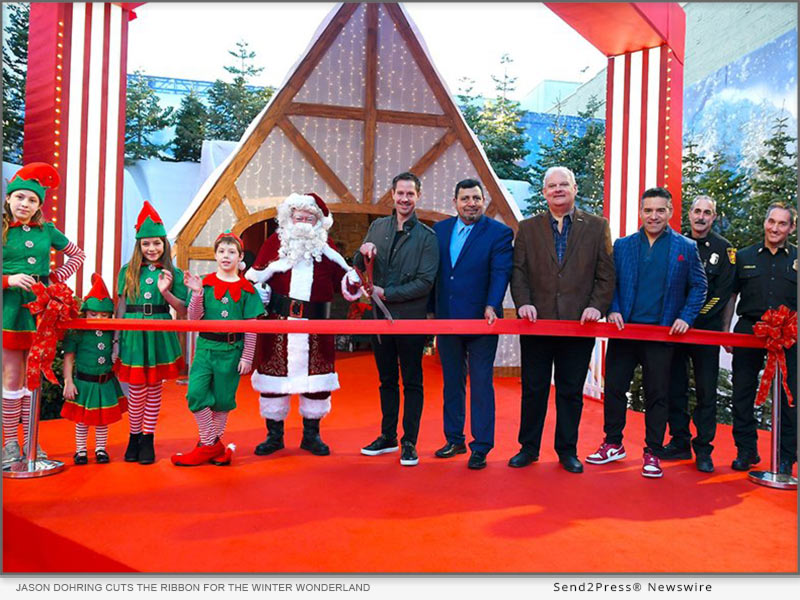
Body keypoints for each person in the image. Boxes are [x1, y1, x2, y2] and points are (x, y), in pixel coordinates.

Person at [586, 187, 707, 478]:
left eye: (660, 210)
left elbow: (700, 287)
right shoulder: (624, 245)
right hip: (624, 331)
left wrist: (685, 317)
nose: (654, 216)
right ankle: (613, 443)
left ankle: (652, 451)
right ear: (641, 212)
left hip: (661, 335)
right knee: (614, 389)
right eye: (648, 210)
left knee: (658, 394)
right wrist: (612, 309)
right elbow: (609, 282)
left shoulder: (685, 247)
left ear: (670, 212)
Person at [509, 166, 615, 473]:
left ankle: (567, 450)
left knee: (570, 392)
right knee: (533, 389)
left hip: (578, 327)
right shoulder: (528, 228)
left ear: (574, 188)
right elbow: (519, 273)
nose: (558, 189)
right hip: (537, 325)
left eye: (563, 184)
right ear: (544, 192)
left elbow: (606, 275)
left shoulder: (597, 227)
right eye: (552, 185)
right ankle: (528, 448)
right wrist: (524, 303)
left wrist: (597, 307)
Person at [245, 193, 361, 457]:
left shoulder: (326, 246)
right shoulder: (275, 242)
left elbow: (344, 282)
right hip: (278, 325)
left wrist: (353, 280)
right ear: (289, 217)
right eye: (299, 216)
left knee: (317, 382)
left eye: (310, 217)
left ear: (319, 222)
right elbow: (252, 279)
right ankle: (274, 436)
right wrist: (258, 292)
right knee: (274, 379)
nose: (304, 221)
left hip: (317, 327)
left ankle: (312, 436)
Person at [2, 162, 86, 464]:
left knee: (33, 377)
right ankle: (10, 444)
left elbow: (78, 255)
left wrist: (53, 279)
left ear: (39, 204)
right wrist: (7, 280)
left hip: (39, 310)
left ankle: (31, 442)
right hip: (9, 310)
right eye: (20, 197)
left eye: (32, 200)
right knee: (12, 377)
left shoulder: (47, 230)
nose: (25, 204)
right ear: (9, 198)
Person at [355, 172, 439, 467]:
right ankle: (388, 435)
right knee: (386, 379)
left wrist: (386, 292)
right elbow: (359, 262)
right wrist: (361, 252)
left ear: (418, 196)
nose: (405, 199)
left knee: (412, 381)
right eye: (400, 193)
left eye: (410, 194)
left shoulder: (428, 237)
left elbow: (425, 282)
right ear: (392, 194)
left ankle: (409, 442)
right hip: (379, 320)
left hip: (410, 321)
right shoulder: (377, 227)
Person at [429, 178, 513, 469]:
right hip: (446, 320)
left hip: (482, 321)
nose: (471, 203)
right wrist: (430, 312)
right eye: (465, 198)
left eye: (476, 198)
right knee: (452, 382)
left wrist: (492, 304)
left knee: (480, 383)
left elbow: (501, 272)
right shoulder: (439, 230)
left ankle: (481, 446)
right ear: (455, 202)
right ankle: (454, 439)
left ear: (483, 201)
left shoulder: (499, 233)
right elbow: (435, 274)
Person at [172, 231, 264, 467]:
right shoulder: (205, 283)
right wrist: (197, 293)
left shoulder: (247, 290)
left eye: (231, 252)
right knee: (195, 394)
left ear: (240, 256)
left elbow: (252, 327)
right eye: (221, 251)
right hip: (205, 349)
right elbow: (193, 319)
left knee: (222, 401)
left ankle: (209, 448)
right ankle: (212, 445)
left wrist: (247, 356)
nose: (226, 256)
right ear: (215, 255)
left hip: (232, 351)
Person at [661, 196, 735, 472]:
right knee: (674, 387)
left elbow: (723, 293)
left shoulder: (724, 250)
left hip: (704, 330)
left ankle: (704, 449)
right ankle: (679, 442)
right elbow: (670, 286)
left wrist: (691, 317)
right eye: (696, 211)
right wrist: (679, 318)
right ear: (689, 214)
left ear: (714, 217)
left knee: (706, 391)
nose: (701, 217)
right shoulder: (677, 244)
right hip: (676, 329)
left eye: (707, 212)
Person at [727, 202, 797, 475]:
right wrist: (726, 331)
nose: (775, 228)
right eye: (772, 222)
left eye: (782, 223)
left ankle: (785, 457)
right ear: (765, 222)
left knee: (789, 397)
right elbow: (731, 297)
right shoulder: (744, 257)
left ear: (791, 228)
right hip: (750, 330)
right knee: (742, 392)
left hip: (789, 335)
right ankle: (746, 451)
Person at [116, 201, 188, 465]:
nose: (152, 248)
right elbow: (120, 307)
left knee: (154, 387)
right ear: (139, 246)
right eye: (146, 244)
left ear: (164, 244)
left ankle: (148, 437)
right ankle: (133, 436)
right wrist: (116, 342)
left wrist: (166, 291)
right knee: (136, 388)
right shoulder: (128, 271)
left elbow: (182, 309)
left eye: (157, 243)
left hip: (159, 328)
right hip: (133, 331)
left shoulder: (173, 272)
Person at [61, 274, 126, 465]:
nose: (99, 318)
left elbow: (117, 348)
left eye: (104, 315)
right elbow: (69, 358)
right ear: (85, 312)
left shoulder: (112, 332)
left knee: (102, 419)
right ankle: (80, 450)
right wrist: (68, 381)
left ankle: (100, 448)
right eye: (94, 314)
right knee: (82, 420)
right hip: (83, 382)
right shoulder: (77, 331)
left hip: (105, 381)